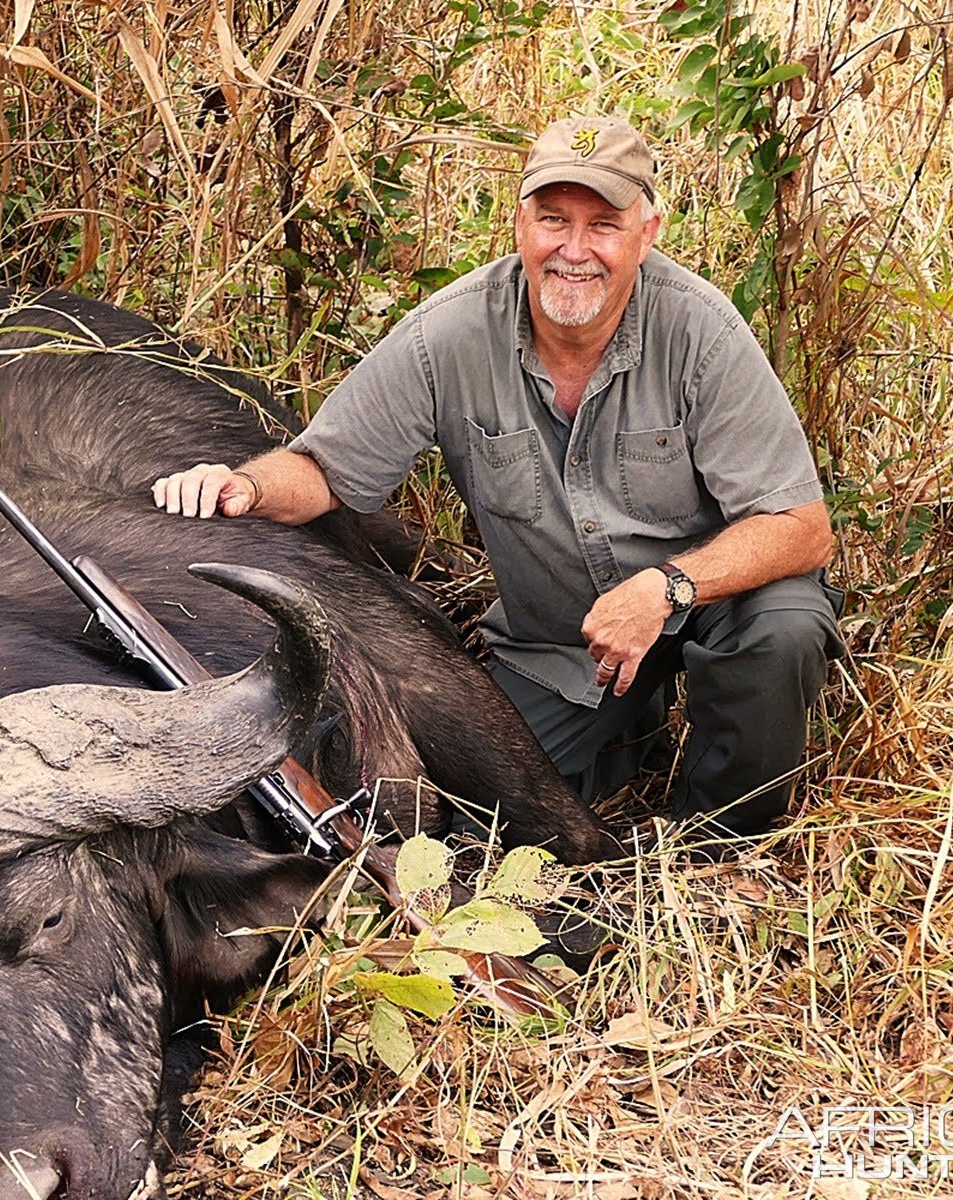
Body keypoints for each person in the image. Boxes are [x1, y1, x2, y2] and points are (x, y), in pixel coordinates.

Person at [152, 116, 843, 840]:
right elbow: (325, 470)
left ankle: (718, 839)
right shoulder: (449, 334)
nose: (574, 251)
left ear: (648, 232)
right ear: (519, 223)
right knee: (483, 814)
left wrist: (664, 588)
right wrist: (244, 488)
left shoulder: (702, 331)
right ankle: (628, 735)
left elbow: (802, 529)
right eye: (553, 220)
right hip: (565, 642)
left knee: (784, 630)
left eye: (603, 225)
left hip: (708, 599)